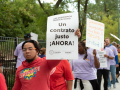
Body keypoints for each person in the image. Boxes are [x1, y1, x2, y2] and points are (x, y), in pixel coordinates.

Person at [12, 29, 81, 90]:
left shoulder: (45, 63)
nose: (27, 51)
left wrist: (72, 38)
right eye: (24, 49)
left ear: (37, 51)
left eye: (30, 49)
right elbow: (16, 87)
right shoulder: (20, 69)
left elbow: (60, 53)